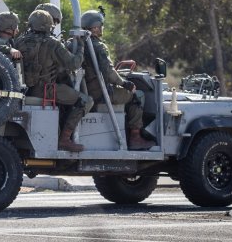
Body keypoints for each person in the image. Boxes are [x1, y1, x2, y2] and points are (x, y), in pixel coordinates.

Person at [16, 10, 89, 152]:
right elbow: (74, 64)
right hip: (46, 91)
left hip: (24, 91)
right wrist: (81, 46)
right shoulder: (52, 43)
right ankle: (65, 139)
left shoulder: (19, 41)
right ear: (48, 26)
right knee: (86, 100)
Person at [81, 9, 154, 150]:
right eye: (101, 25)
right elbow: (109, 73)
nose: (102, 28)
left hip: (87, 90)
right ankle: (135, 137)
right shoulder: (98, 46)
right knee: (137, 96)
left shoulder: (79, 43)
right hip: (100, 93)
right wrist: (124, 83)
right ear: (95, 28)